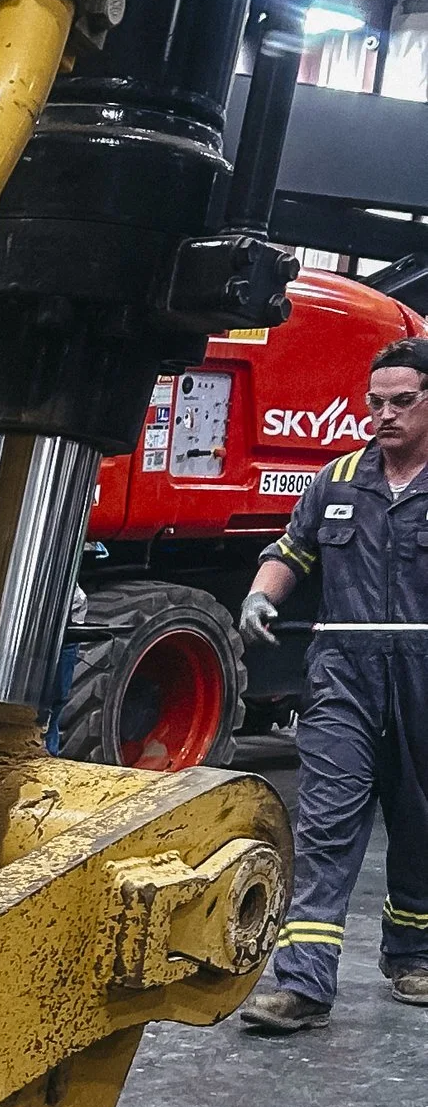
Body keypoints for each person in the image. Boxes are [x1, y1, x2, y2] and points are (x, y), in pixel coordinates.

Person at [238, 332, 428, 1033]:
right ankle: (301, 982)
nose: (385, 415)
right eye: (376, 403)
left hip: (423, 681)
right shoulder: (339, 479)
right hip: (344, 679)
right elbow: (290, 551)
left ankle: (413, 953)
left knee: (419, 822)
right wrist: (263, 595)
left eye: (402, 402)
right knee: (325, 824)